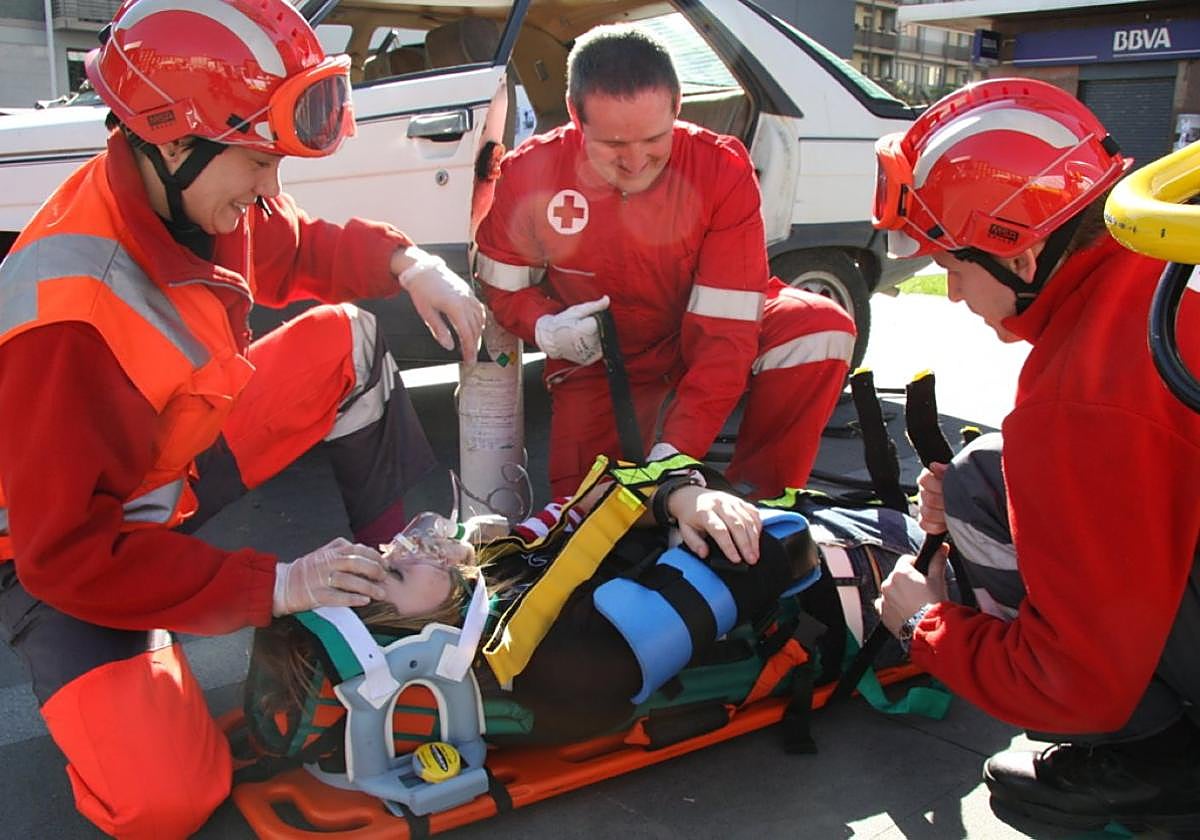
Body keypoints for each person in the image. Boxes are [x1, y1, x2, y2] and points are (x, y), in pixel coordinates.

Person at [0, 0, 486, 836]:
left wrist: (407, 262)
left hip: (166, 469)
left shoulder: (189, 196)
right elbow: (64, 551)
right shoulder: (69, 322)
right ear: (173, 142)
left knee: (346, 340)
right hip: (63, 554)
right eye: (259, 163)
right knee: (165, 800)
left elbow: (299, 245)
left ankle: (406, 603)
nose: (271, 188)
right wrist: (271, 586)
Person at [870, 77, 1200, 833]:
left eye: (953, 268)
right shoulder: (1162, 272)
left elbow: (1073, 687)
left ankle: (1162, 764)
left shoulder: (1081, 397)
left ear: (1021, 259)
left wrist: (925, 625)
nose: (954, 295)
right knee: (984, 478)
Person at [474, 25, 855, 500]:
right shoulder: (529, 172)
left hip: (695, 336)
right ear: (575, 114)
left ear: (677, 106)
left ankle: (761, 502)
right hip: (598, 360)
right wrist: (547, 326)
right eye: (614, 145)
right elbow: (503, 284)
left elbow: (727, 331)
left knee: (817, 329)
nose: (635, 162)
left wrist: (676, 452)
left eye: (654, 139)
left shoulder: (720, 169)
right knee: (585, 508)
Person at [249, 475, 816, 747]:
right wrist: (679, 501)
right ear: (413, 639)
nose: (403, 547)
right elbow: (776, 550)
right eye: (395, 571)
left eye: (383, 551)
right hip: (818, 579)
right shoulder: (555, 659)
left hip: (727, 521)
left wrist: (675, 497)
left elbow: (582, 506)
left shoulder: (488, 579)